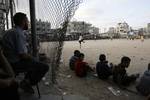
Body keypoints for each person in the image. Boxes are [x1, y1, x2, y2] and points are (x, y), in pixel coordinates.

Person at [2, 12, 49, 93]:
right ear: (23, 22)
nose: (28, 23)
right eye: (27, 21)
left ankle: (27, 80)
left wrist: (34, 58)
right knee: (45, 66)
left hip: (5, 62)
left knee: (34, 61)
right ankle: (27, 83)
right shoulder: (19, 33)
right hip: (14, 64)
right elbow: (23, 55)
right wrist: (35, 58)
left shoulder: (9, 32)